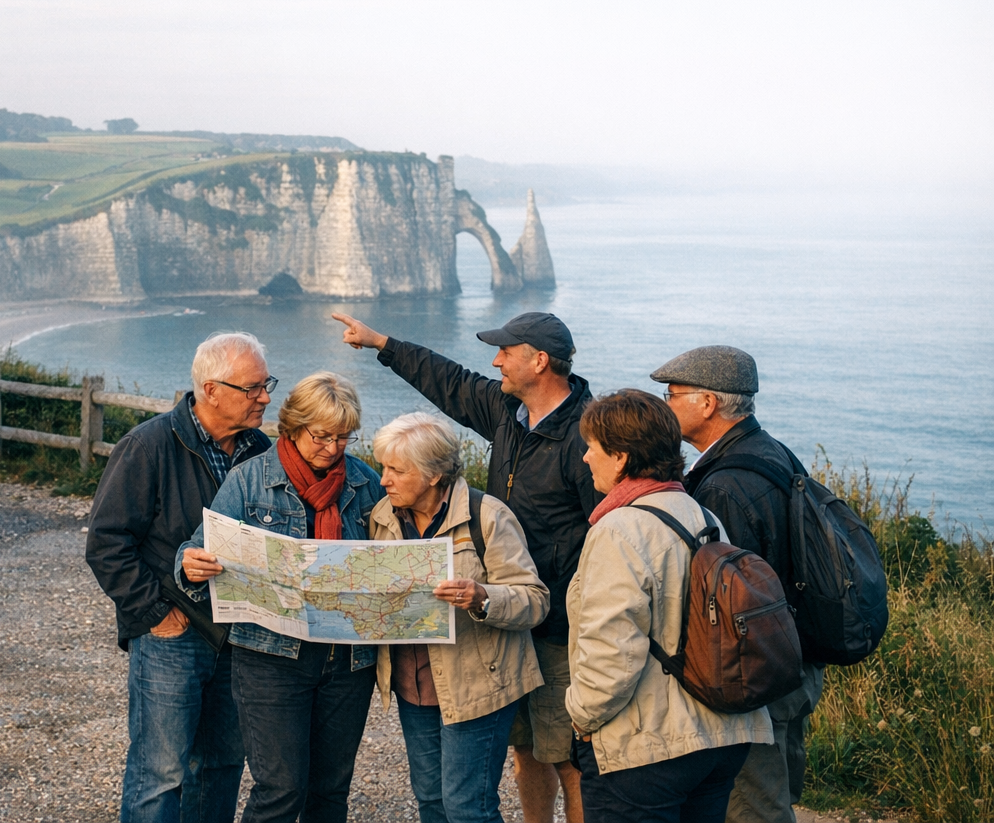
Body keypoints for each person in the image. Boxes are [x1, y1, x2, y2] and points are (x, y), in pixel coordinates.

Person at [334, 309, 598, 823]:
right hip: (499, 631)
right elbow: (448, 381)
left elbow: (608, 528)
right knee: (523, 750)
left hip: (560, 628)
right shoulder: (508, 411)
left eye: (505, 352)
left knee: (567, 757)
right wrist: (381, 343)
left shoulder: (586, 436)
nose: (495, 361)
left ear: (539, 361)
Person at [86, 331, 276, 823]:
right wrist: (155, 613)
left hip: (238, 637)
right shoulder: (146, 445)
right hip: (173, 635)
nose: (265, 397)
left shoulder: (260, 450)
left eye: (265, 384)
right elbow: (106, 543)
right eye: (252, 388)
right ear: (211, 390)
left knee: (221, 766)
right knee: (160, 773)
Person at [176, 372, 383, 823]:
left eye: (344, 438)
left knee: (330, 793)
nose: (333, 449)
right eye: (322, 436)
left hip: (347, 663)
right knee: (280, 791)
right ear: (292, 426)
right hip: (270, 662)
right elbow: (194, 550)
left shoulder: (366, 482)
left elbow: (393, 556)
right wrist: (192, 563)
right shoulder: (247, 481)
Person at [567, 388, 774, 823]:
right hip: (719, 737)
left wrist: (581, 719)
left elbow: (612, 651)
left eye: (592, 448)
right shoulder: (700, 514)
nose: (586, 458)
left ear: (620, 457)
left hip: (650, 748)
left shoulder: (620, 529)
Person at [650, 346, 827, 823]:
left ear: (707, 403)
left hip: (755, 676)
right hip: (791, 659)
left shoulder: (723, 485)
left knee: (751, 807)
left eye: (671, 394)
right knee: (774, 797)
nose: (664, 405)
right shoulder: (773, 452)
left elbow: (725, 600)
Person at [367, 412, 550, 823]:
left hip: (478, 683)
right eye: (383, 467)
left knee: (468, 808)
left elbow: (535, 600)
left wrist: (481, 597)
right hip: (412, 684)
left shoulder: (488, 516)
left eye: (397, 470)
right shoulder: (382, 515)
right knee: (430, 800)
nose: (384, 479)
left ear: (433, 475)